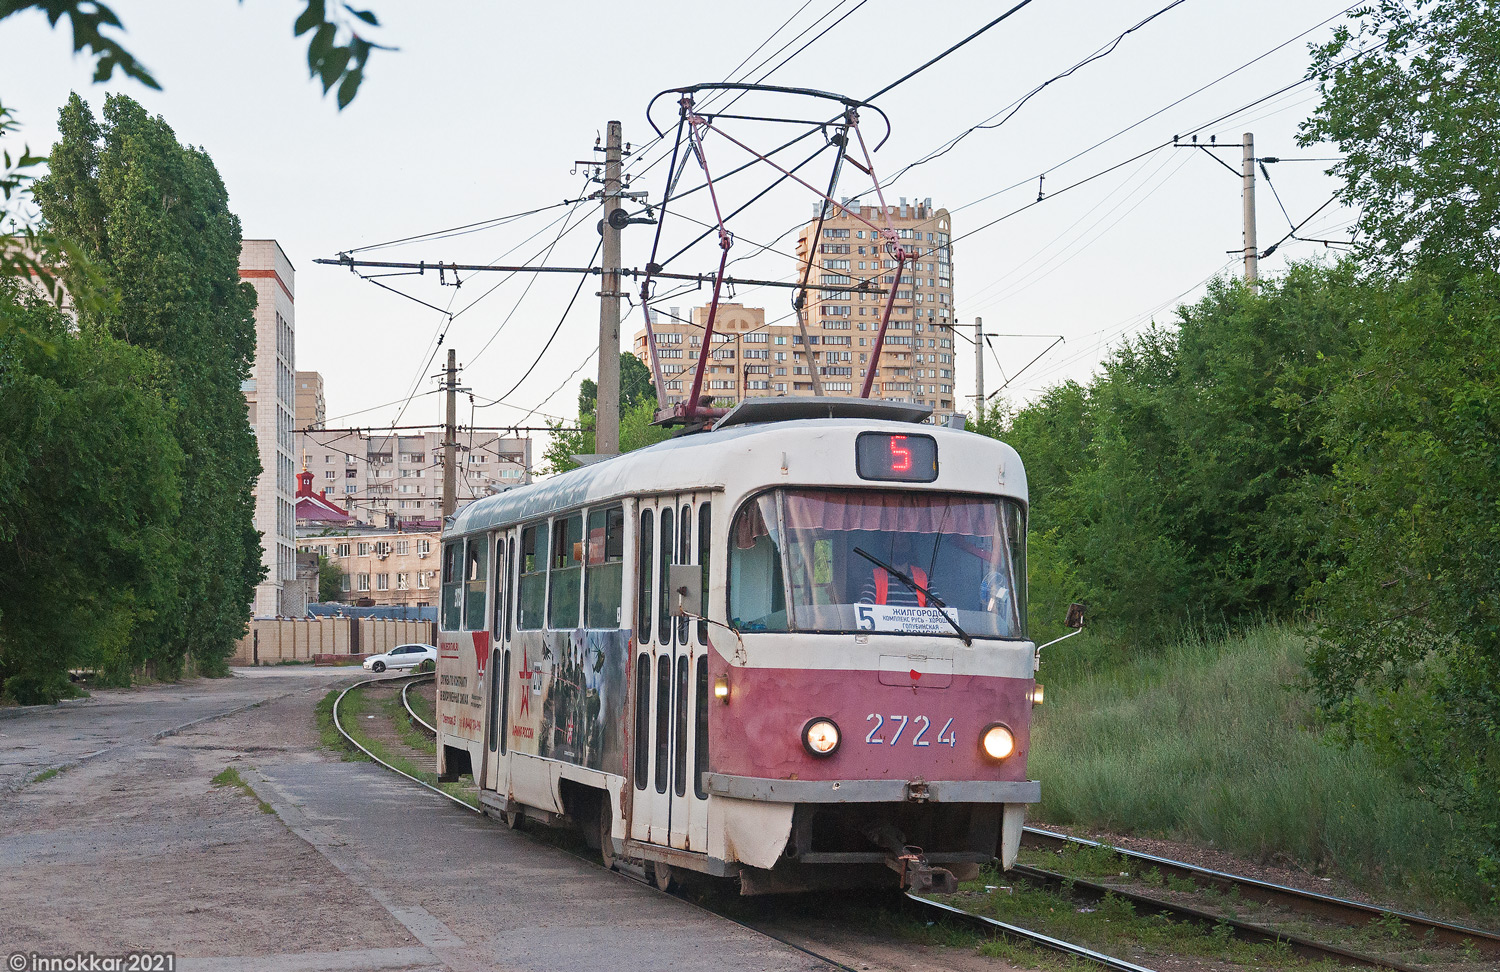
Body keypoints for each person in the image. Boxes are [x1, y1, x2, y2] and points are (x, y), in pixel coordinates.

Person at [857, 533, 939, 608]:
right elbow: (865, 606)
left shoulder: (923, 576)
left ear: (910, 546)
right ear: (885, 546)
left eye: (903, 544)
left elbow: (937, 606)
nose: (899, 546)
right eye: (895, 545)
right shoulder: (875, 576)